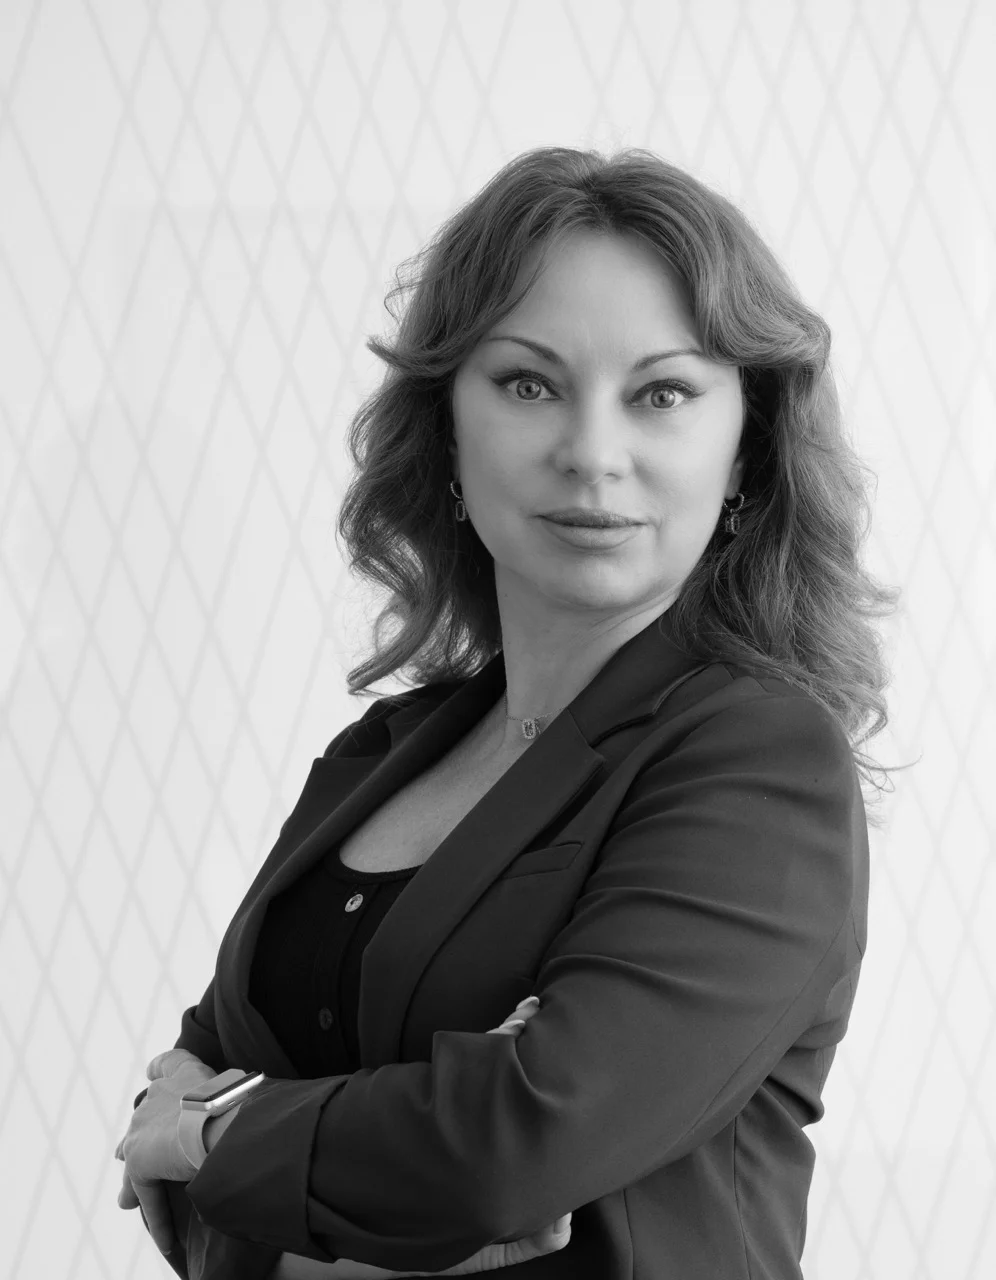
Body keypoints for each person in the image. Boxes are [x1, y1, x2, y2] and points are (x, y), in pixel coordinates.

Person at [115, 145, 906, 1280]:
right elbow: (187, 1110)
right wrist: (368, 1163)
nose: (592, 454)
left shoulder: (755, 758)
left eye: (663, 393)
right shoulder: (384, 751)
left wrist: (220, 1135)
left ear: (744, 454)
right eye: (528, 382)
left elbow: (515, 1141)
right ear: (447, 429)